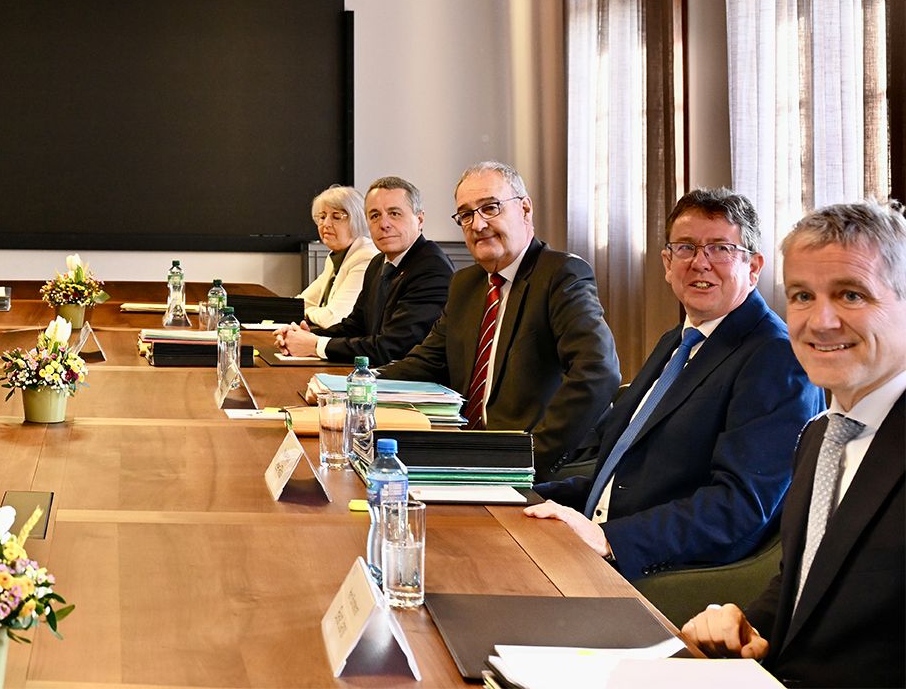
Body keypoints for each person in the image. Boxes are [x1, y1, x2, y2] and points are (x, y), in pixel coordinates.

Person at [524, 188, 822, 579]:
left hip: (667, 573)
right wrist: (518, 496)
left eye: (720, 248)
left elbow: (738, 507)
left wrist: (609, 538)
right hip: (599, 543)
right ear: (667, 263)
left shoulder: (775, 357)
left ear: (753, 266)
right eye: (685, 248)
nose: (700, 263)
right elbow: (625, 478)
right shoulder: (679, 340)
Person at [679, 201, 906, 688]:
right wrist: (747, 624)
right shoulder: (822, 434)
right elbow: (807, 583)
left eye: (850, 295)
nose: (820, 322)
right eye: (802, 296)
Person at [380, 162, 619, 478]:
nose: (477, 225)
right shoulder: (467, 284)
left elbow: (598, 372)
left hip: (543, 465)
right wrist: (358, 386)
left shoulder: (561, 275)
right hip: (472, 452)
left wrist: (530, 456)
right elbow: (426, 362)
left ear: (525, 210)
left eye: (490, 208)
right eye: (466, 215)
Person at [277, 176, 454, 365]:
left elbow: (393, 348)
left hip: (412, 387)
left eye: (394, 213)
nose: (384, 224)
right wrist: (304, 335)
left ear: (419, 220)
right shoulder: (378, 263)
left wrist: (316, 345)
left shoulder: (432, 268)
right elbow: (356, 326)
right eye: (375, 215)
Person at [293, 184, 378, 329]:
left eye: (336, 217)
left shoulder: (366, 257)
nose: (325, 224)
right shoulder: (336, 256)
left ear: (357, 219)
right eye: (322, 217)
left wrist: (307, 313)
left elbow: (333, 318)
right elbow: (301, 303)